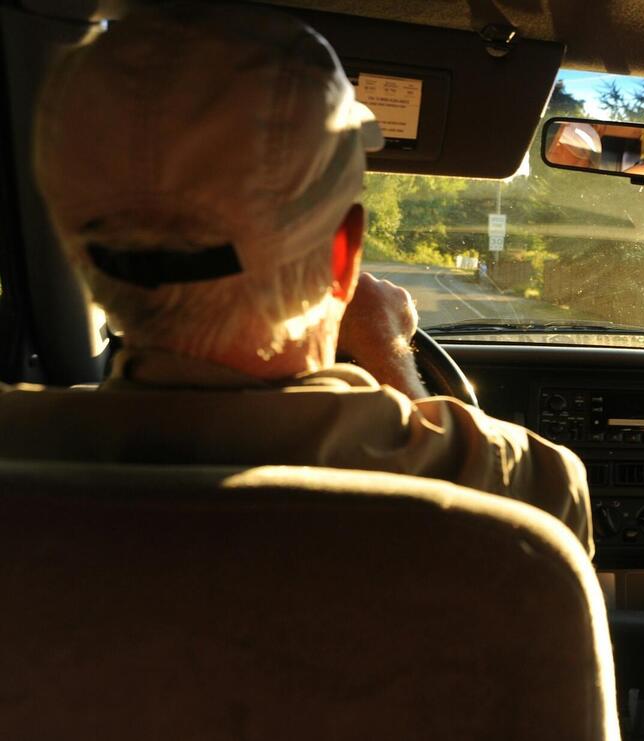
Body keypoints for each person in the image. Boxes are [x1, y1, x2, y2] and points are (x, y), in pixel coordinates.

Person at [0, 2, 592, 554]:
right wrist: (390, 360)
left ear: (73, 246)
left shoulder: (20, 458)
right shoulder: (528, 491)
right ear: (344, 256)